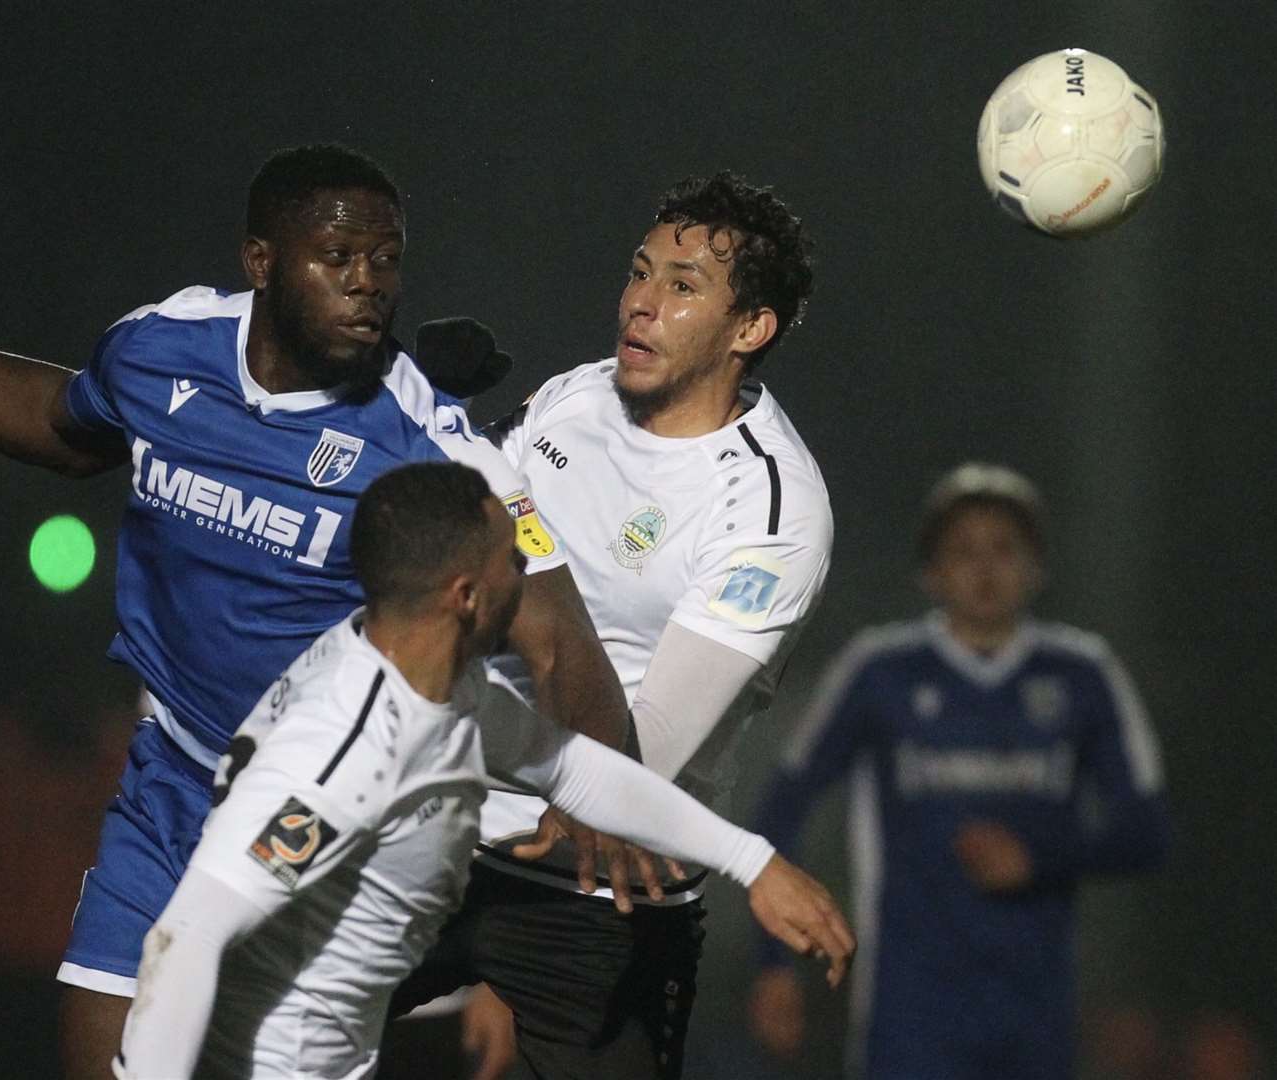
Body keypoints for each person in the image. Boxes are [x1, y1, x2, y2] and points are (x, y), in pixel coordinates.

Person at [0, 144, 637, 1080]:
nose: (369, 285)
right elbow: (58, 424)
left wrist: (599, 806)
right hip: (171, 783)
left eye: (387, 260)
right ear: (261, 263)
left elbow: (560, 642)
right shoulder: (163, 345)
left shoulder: (434, 448)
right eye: (339, 259)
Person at [113, 462, 854, 1080]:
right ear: (465, 594)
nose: (528, 572)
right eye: (511, 558)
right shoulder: (343, 749)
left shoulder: (436, 682)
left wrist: (751, 862)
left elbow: (573, 770)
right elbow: (185, 939)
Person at [387, 170, 839, 1080]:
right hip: (436, 831)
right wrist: (413, 405)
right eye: (640, 272)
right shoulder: (573, 398)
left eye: (682, 288)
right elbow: (450, 547)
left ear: (750, 329)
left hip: (599, 898)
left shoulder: (772, 511)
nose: (640, 303)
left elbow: (640, 758)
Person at [746, 462, 1171, 1080]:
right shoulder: (881, 670)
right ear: (930, 572)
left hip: (1037, 1014)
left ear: (1038, 567)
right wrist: (774, 963)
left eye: (1004, 548)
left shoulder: (1083, 675)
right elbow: (782, 805)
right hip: (909, 1012)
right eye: (963, 550)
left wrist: (1038, 857)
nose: (985, 568)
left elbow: (1147, 833)